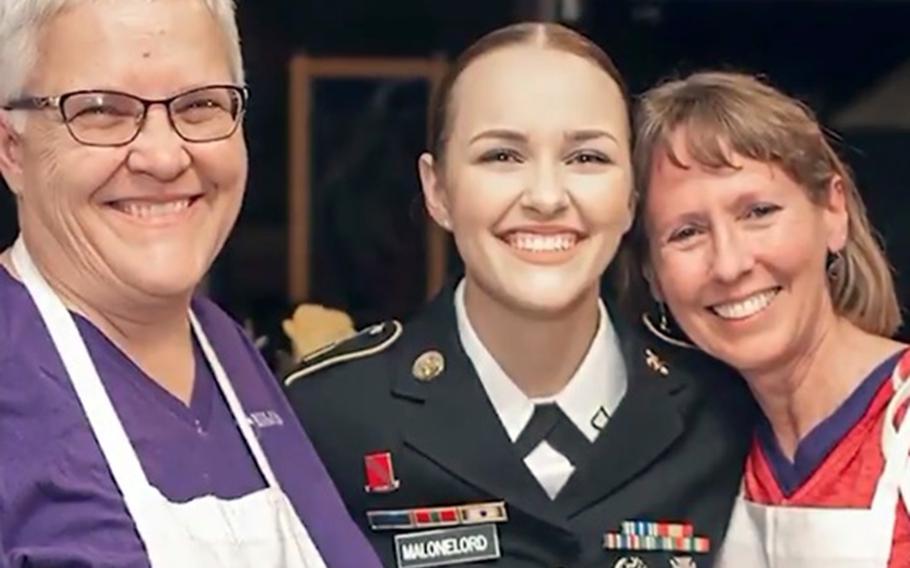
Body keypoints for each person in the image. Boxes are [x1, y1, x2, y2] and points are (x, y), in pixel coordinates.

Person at [285, 23, 754, 568]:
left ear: (631, 195)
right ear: (437, 190)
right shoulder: (331, 415)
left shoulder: (721, 408)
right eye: (502, 156)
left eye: (587, 158)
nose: (547, 197)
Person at [0, 0, 381, 566]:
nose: (162, 156)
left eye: (200, 105)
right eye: (102, 110)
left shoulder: (228, 352)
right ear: (12, 149)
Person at [629, 70, 909, 567]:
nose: (731, 264)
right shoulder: (690, 456)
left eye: (758, 211)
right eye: (687, 232)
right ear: (654, 275)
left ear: (833, 211)